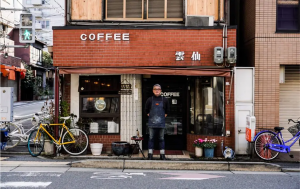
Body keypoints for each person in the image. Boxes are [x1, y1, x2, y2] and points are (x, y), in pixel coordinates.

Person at [145, 84, 170, 160]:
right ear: (153, 90)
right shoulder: (149, 100)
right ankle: (150, 154)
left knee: (161, 138)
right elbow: (146, 110)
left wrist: (162, 116)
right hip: (151, 123)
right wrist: (151, 115)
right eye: (155, 89)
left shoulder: (165, 100)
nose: (157, 90)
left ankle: (162, 155)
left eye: (158, 89)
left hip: (161, 123)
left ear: (161, 91)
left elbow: (167, 110)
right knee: (151, 138)